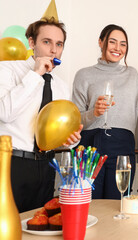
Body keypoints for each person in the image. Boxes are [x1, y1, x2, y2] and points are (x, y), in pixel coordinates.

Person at [72, 24, 138, 200]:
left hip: (122, 145)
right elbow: (75, 119)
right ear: (101, 42)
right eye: (112, 42)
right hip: (89, 146)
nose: (118, 48)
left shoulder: (132, 75)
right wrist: (93, 113)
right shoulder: (83, 75)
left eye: (123, 44)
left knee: (118, 203)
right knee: (88, 202)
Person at [0, 18, 82, 213]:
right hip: (12, 164)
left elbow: (57, 133)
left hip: (46, 167)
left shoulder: (62, 86)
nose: (53, 50)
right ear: (31, 43)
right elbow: (4, 113)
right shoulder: (7, 70)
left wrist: (71, 141)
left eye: (59, 44)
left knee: (40, 227)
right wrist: (35, 75)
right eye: (47, 42)